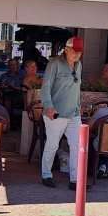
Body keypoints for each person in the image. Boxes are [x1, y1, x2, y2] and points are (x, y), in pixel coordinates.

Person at [39, 36, 85, 190]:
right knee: (52, 145)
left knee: (77, 146)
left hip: (74, 114)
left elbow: (77, 88)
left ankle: (75, 180)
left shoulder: (79, 65)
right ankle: (46, 175)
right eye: (74, 51)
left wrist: (79, 107)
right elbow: (45, 87)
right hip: (56, 113)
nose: (77, 55)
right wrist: (48, 106)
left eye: (79, 52)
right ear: (66, 50)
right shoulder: (54, 64)